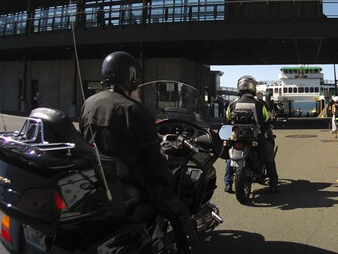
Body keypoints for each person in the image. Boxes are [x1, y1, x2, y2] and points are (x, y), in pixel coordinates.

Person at [80, 51, 200, 254]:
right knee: (179, 212)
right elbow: (152, 160)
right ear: (131, 76)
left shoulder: (89, 103)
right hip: (134, 181)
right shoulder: (134, 109)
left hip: (100, 179)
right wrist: (168, 179)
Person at [224, 75, 280, 194]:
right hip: (256, 137)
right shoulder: (260, 103)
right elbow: (266, 119)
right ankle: (274, 184)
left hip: (237, 137)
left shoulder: (232, 104)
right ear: (253, 87)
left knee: (231, 157)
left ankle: (228, 183)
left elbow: (228, 120)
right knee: (268, 159)